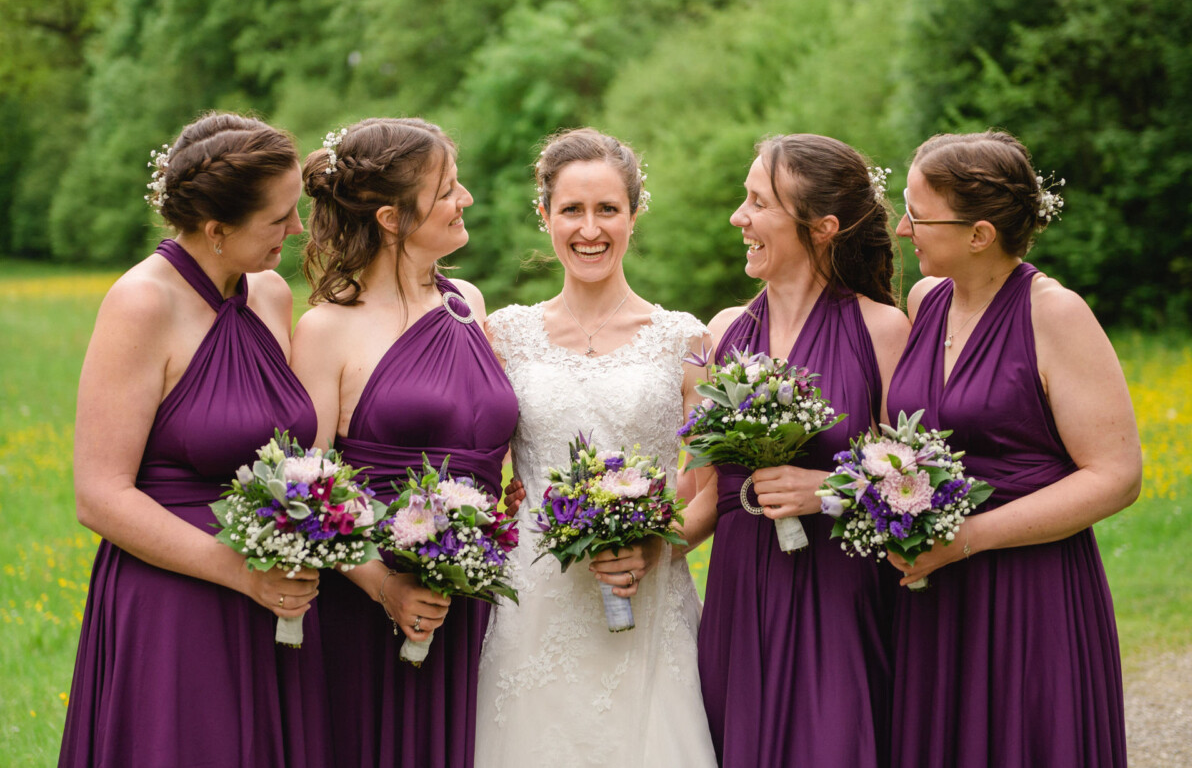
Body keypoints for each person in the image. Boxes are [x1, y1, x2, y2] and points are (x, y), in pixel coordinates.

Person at [60, 112, 331, 767]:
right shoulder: (142, 303)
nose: (295, 231)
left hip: (274, 593)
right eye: (278, 219)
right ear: (216, 230)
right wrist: (240, 573)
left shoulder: (267, 294)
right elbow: (99, 495)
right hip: (174, 601)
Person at [886, 130, 1140, 767]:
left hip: (1031, 592)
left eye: (917, 215)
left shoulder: (1055, 314)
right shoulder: (925, 301)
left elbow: (1117, 475)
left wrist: (970, 537)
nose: (900, 229)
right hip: (935, 593)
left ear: (979, 234)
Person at [474, 127, 718, 767]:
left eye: (608, 209)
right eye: (572, 210)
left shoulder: (684, 342)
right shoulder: (505, 336)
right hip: (533, 597)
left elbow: (712, 488)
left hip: (648, 596)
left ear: (635, 214)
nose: (590, 229)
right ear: (545, 215)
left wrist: (657, 545)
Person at [291, 117, 518, 768]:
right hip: (370, 604)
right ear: (392, 217)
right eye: (448, 188)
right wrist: (386, 586)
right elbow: (305, 485)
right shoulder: (326, 330)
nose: (465, 198)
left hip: (470, 592)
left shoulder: (466, 302)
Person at [686, 134, 911, 766]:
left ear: (821, 227)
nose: (739, 217)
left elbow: (916, 483)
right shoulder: (724, 332)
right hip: (738, 595)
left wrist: (831, 491)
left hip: (838, 594)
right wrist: (630, 539)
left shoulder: (881, 329)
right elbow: (700, 487)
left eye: (758, 202)